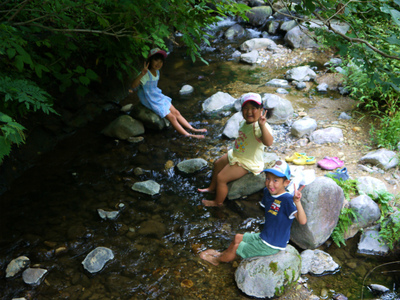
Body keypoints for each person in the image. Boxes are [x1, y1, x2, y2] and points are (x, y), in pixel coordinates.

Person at [199, 159, 307, 266]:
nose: (270, 184)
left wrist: (297, 202)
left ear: (286, 182)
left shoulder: (287, 199)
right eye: (268, 178)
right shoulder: (267, 193)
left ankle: (217, 261)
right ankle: (221, 254)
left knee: (237, 247)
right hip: (264, 236)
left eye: (275, 180)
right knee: (237, 237)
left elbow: (302, 221)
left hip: (272, 244)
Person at [198, 92, 273, 206]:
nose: (249, 112)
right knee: (218, 164)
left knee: (221, 178)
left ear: (261, 109)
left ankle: (217, 202)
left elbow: (268, 142)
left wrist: (262, 125)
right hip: (237, 154)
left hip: (247, 161)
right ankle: (212, 188)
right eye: (246, 108)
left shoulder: (259, 126)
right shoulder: (245, 122)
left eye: (253, 108)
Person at [130, 48, 206, 139]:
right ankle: (188, 134)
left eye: (161, 61)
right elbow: (133, 86)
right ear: (150, 60)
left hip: (156, 95)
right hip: (149, 98)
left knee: (176, 112)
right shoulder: (146, 74)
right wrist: (142, 74)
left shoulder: (157, 71)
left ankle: (192, 129)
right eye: (156, 60)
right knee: (172, 117)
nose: (158, 64)